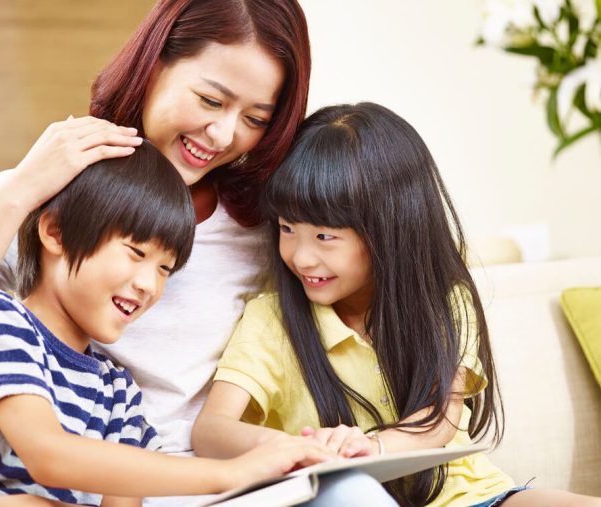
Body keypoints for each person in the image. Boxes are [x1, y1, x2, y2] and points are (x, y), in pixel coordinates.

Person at [0, 1, 398, 505]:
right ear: (153, 65)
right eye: (210, 100)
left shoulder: (267, 232)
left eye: (256, 118)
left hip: (203, 485)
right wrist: (16, 195)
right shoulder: (44, 202)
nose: (223, 135)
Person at [0, 142, 336, 507]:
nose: (148, 284)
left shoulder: (116, 390)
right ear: (55, 232)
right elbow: (48, 454)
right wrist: (234, 473)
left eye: (165, 269)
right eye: (135, 253)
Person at [192, 103, 601, 507]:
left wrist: (372, 447)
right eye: (286, 228)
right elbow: (211, 430)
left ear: (389, 228)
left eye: (324, 237)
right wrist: (293, 448)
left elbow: (439, 422)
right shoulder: (273, 320)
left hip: (476, 497)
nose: (301, 257)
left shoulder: (445, 300)